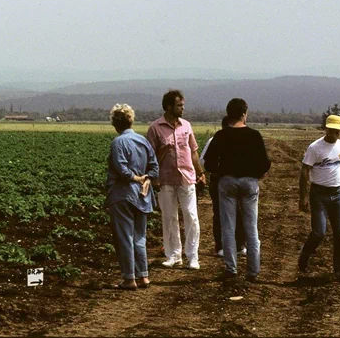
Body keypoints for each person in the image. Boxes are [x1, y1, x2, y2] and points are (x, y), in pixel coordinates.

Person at [203, 99, 271, 282]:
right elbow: (265, 163)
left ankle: (231, 268)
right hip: (249, 183)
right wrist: (255, 175)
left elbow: (208, 162)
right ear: (244, 113)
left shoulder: (220, 136)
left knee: (228, 226)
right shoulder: (254, 135)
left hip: (227, 182)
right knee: (251, 227)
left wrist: (220, 172)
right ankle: (253, 270)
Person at [146, 89, 206, 270]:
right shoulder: (155, 128)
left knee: (191, 215)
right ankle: (173, 255)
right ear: (169, 107)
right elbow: (149, 156)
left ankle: (193, 256)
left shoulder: (186, 126)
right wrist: (153, 176)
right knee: (169, 217)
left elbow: (193, 151)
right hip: (165, 179)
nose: (183, 108)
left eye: (182, 105)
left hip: (186, 177)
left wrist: (200, 172)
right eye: (179, 105)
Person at [105, 103, 159, 290]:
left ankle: (129, 278)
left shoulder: (118, 142)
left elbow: (121, 168)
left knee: (125, 237)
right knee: (139, 236)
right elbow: (154, 167)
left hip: (123, 195)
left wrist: (134, 178)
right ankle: (143, 276)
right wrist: (146, 179)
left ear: (115, 123)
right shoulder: (143, 141)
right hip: (143, 196)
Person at [298, 114, 340, 283]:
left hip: (337, 195)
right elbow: (304, 171)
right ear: (326, 128)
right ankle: (305, 255)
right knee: (319, 232)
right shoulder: (315, 148)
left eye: (337, 131)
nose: (333, 134)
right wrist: (303, 198)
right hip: (318, 194)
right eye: (330, 130)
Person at [199, 116, 246, 258]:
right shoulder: (214, 140)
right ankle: (222, 246)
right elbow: (203, 161)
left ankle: (237, 245)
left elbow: (203, 161)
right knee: (222, 213)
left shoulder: (216, 139)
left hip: (227, 180)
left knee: (235, 213)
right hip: (220, 180)